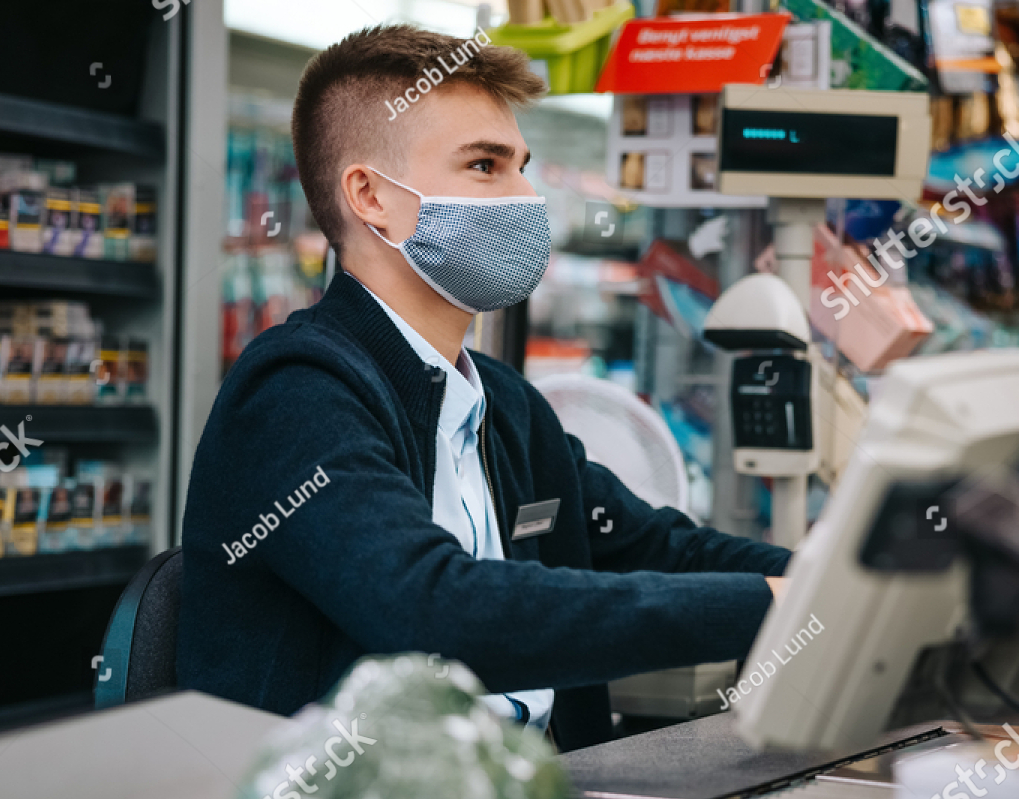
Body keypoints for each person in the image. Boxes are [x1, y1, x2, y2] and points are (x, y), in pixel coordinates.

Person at [178, 24, 790, 750]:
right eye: (485, 165)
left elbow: (657, 548)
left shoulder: (505, 407)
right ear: (370, 194)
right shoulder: (293, 393)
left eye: (521, 165)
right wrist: (765, 605)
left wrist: (832, 581)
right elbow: (431, 607)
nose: (525, 197)